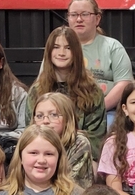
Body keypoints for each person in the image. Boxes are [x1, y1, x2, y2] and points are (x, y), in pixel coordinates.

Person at [27, 26, 107, 156]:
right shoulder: (36, 91)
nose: (61, 53)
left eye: (68, 48)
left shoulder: (92, 91)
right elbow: (31, 131)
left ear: (76, 52)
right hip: (43, 154)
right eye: (56, 47)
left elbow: (95, 139)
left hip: (81, 154)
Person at [65, 0, 133, 117]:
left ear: (97, 19)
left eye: (85, 14)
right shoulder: (58, 48)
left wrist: (99, 110)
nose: (79, 19)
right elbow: (46, 81)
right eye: (74, 15)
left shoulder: (113, 46)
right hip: (66, 113)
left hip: (107, 111)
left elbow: (124, 83)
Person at [31, 91, 94, 189]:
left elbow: (71, 184)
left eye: (54, 115)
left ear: (67, 118)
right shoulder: (29, 143)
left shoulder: (79, 143)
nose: (45, 121)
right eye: (39, 116)